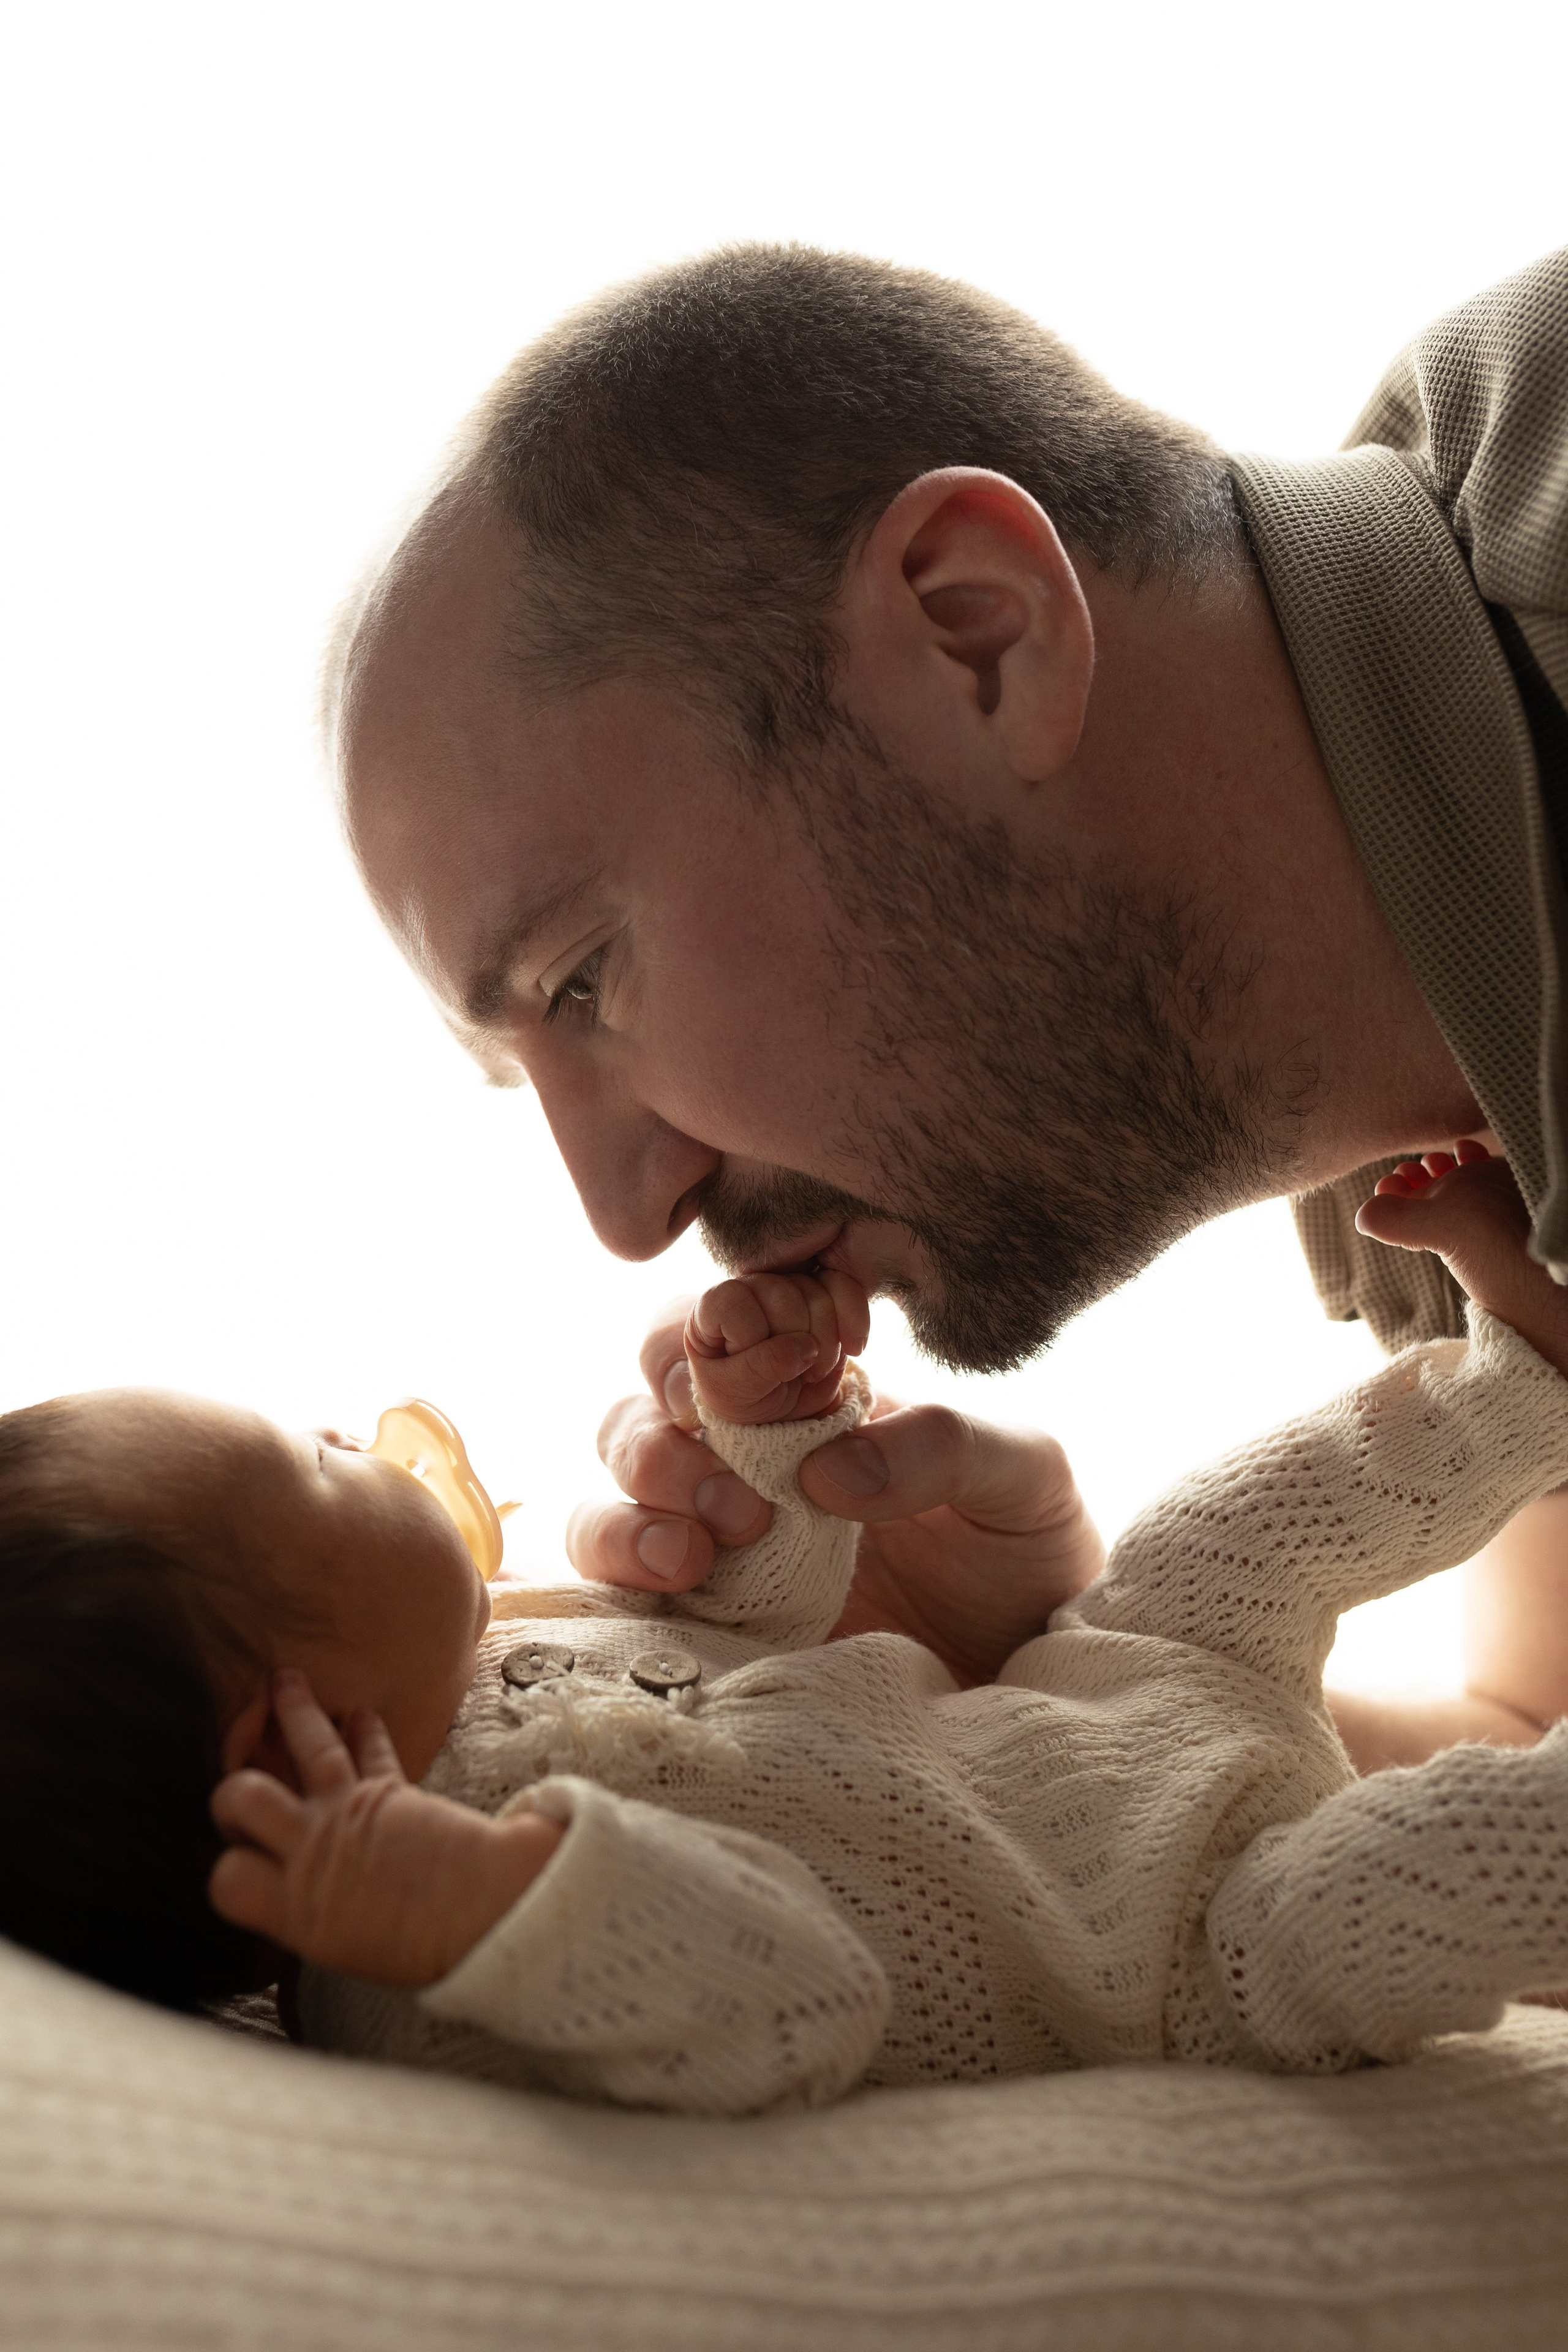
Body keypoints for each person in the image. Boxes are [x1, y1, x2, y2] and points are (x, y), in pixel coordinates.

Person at [331, 241, 1568, 1774]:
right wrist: (1013, 1689)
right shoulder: (1420, 1122)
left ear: (977, 632)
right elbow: (1528, 1765)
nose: (625, 1214)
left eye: (584, 979)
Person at [6, 1147, 1568, 2105]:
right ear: (274, 1737)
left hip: (1104, 1699)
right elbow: (799, 2003)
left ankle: (1522, 1374)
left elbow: (763, 1628)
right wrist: (492, 1908)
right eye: (308, 1460)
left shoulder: (488, 1657)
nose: (356, 1430)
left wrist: (774, 1444)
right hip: (1191, 1952)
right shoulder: (428, 1995)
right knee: (1452, 1864)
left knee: (1220, 1537)